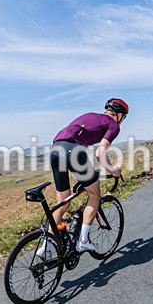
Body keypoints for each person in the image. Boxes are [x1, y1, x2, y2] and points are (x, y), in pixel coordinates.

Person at [43, 98, 128, 257]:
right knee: (94, 194)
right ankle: (83, 241)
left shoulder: (91, 116)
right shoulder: (113, 125)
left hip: (55, 150)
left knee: (63, 202)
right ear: (119, 115)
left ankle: (45, 247)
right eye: (123, 117)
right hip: (73, 152)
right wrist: (113, 170)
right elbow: (100, 153)